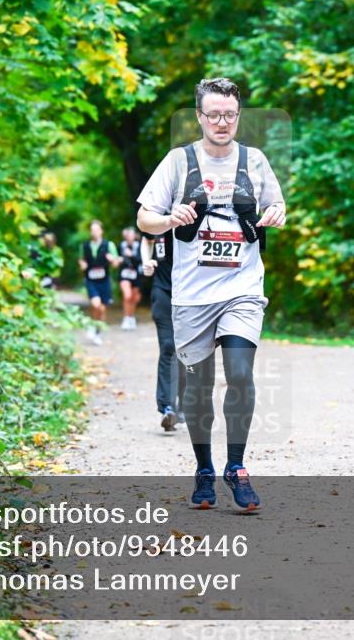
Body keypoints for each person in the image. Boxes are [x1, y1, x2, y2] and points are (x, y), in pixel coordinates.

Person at [137, 77, 286, 511]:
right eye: (214, 114)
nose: (222, 122)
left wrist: (275, 214)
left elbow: (276, 208)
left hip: (241, 288)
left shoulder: (255, 161)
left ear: (238, 116)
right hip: (192, 295)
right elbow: (145, 217)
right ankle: (204, 469)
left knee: (240, 373)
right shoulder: (178, 162)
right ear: (199, 116)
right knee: (199, 389)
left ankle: (235, 467)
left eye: (230, 114)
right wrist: (168, 219)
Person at [141, 231, 187, 432]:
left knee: (187, 350)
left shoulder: (194, 213)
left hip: (190, 295)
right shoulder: (158, 215)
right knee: (168, 346)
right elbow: (146, 238)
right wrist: (146, 260)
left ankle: (185, 405)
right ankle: (168, 407)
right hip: (163, 291)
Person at [78, 220, 121, 345]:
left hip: (104, 281)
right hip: (91, 280)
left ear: (101, 231)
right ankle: (93, 326)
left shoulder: (109, 245)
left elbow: (116, 263)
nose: (94, 232)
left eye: (97, 229)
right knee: (96, 304)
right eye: (92, 230)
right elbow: (81, 260)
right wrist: (82, 264)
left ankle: (97, 332)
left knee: (102, 308)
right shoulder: (84, 246)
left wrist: (113, 260)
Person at [118, 227, 143, 330]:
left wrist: (131, 255)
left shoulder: (139, 246)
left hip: (136, 275)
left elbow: (140, 260)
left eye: (131, 235)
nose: (129, 237)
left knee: (134, 298)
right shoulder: (122, 245)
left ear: (135, 236)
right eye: (128, 235)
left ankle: (131, 317)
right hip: (124, 274)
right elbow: (118, 257)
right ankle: (126, 318)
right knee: (127, 295)